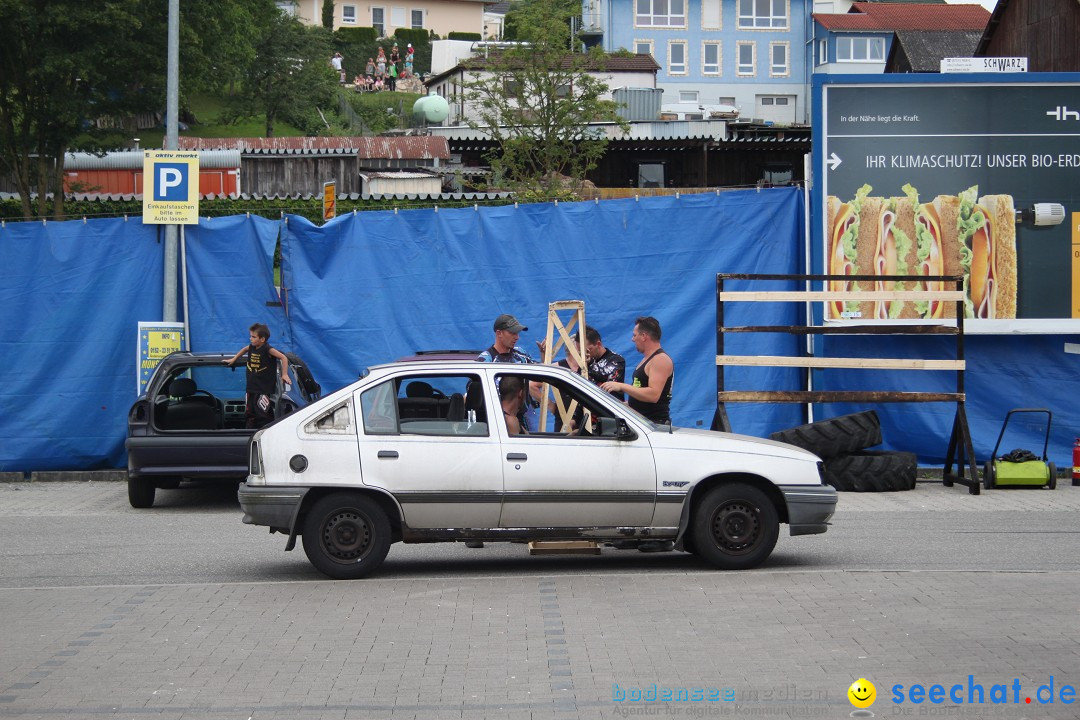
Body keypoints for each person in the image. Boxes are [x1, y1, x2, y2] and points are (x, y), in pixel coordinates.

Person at [601, 316, 673, 424]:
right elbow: (640, 393)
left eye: (634, 335)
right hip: (643, 424)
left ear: (643, 336)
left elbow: (653, 395)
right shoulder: (648, 359)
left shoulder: (660, 360)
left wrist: (622, 386)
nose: (632, 339)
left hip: (655, 426)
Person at [225, 323, 291, 429]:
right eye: (250, 336)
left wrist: (284, 374)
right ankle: (249, 431)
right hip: (251, 388)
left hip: (262, 389)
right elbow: (244, 349)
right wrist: (234, 359)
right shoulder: (251, 347)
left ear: (262, 339)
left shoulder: (268, 349)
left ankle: (264, 433)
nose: (250, 338)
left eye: (253, 337)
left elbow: (283, 358)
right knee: (250, 413)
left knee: (263, 414)